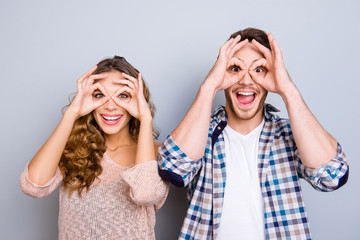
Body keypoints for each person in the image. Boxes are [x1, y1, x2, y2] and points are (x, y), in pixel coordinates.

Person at [157, 28, 349, 239]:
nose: (246, 81)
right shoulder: (203, 132)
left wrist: (287, 89)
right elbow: (173, 168)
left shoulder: (288, 134)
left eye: (259, 69)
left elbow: (332, 175)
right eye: (235, 68)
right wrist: (209, 86)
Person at [20, 56, 169, 239]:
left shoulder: (157, 151)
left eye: (123, 95)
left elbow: (146, 194)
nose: (110, 106)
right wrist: (72, 113)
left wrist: (145, 118)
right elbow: (33, 186)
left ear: (138, 100)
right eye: (100, 95)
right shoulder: (75, 149)